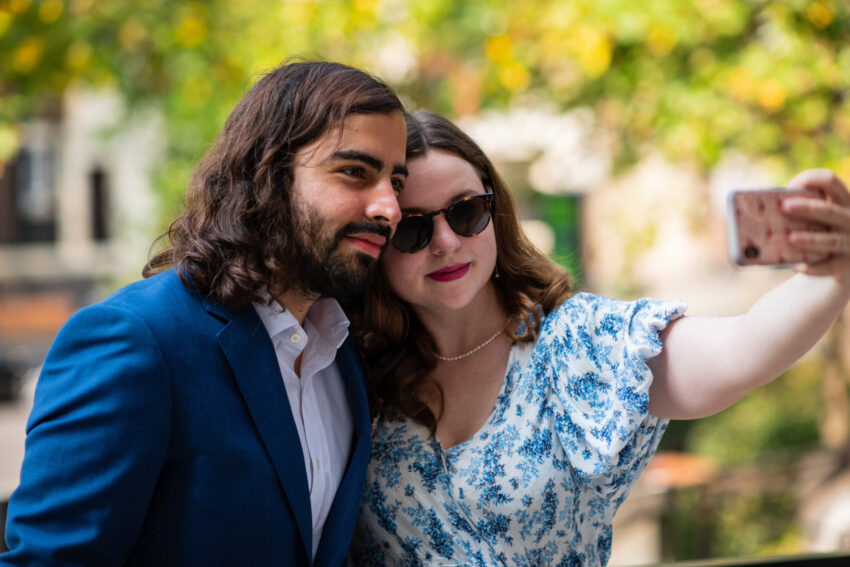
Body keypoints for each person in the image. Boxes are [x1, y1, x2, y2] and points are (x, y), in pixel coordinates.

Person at [345, 110, 850, 567]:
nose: (446, 242)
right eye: (411, 228)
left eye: (465, 211)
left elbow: (739, 350)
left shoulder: (573, 345)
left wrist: (830, 278)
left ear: (495, 212)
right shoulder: (353, 370)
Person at [1, 61, 408, 567]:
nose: (389, 208)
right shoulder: (135, 338)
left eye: (396, 181)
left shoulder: (344, 354)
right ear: (268, 175)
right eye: (354, 172)